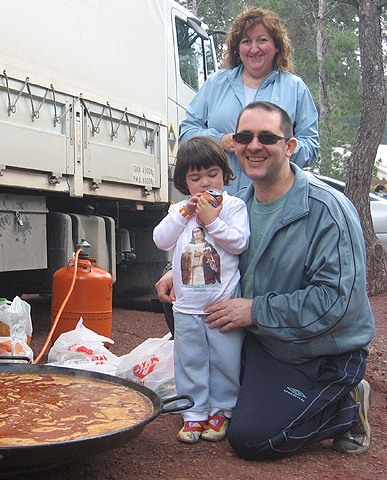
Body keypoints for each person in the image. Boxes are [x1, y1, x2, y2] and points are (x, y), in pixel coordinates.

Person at [157, 101, 375, 459]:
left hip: (316, 350)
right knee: (185, 305)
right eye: (245, 137)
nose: (254, 145)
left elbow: (338, 303)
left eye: (267, 137)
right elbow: (215, 253)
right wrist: (172, 274)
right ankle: (218, 401)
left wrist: (255, 310)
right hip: (264, 339)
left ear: (289, 147)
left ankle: (344, 406)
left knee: (253, 438)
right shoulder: (236, 203)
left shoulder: (326, 210)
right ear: (235, 146)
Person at [153, 136, 250, 444]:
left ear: (225, 174)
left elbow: (239, 242)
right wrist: (184, 214)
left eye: (212, 175)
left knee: (225, 361)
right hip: (186, 307)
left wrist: (212, 221)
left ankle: (222, 410)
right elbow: (161, 240)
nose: (205, 183)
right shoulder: (180, 211)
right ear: (184, 181)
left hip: (222, 306)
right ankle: (194, 413)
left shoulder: (234, 206)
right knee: (190, 360)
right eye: (196, 178)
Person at [179, 7, 319, 194]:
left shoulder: (295, 88)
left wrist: (275, 146)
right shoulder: (216, 83)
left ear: (277, 46)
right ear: (237, 48)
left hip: (274, 199)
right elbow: (186, 133)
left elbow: (311, 146)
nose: (254, 49)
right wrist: (219, 140)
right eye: (246, 41)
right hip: (220, 202)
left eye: (262, 40)